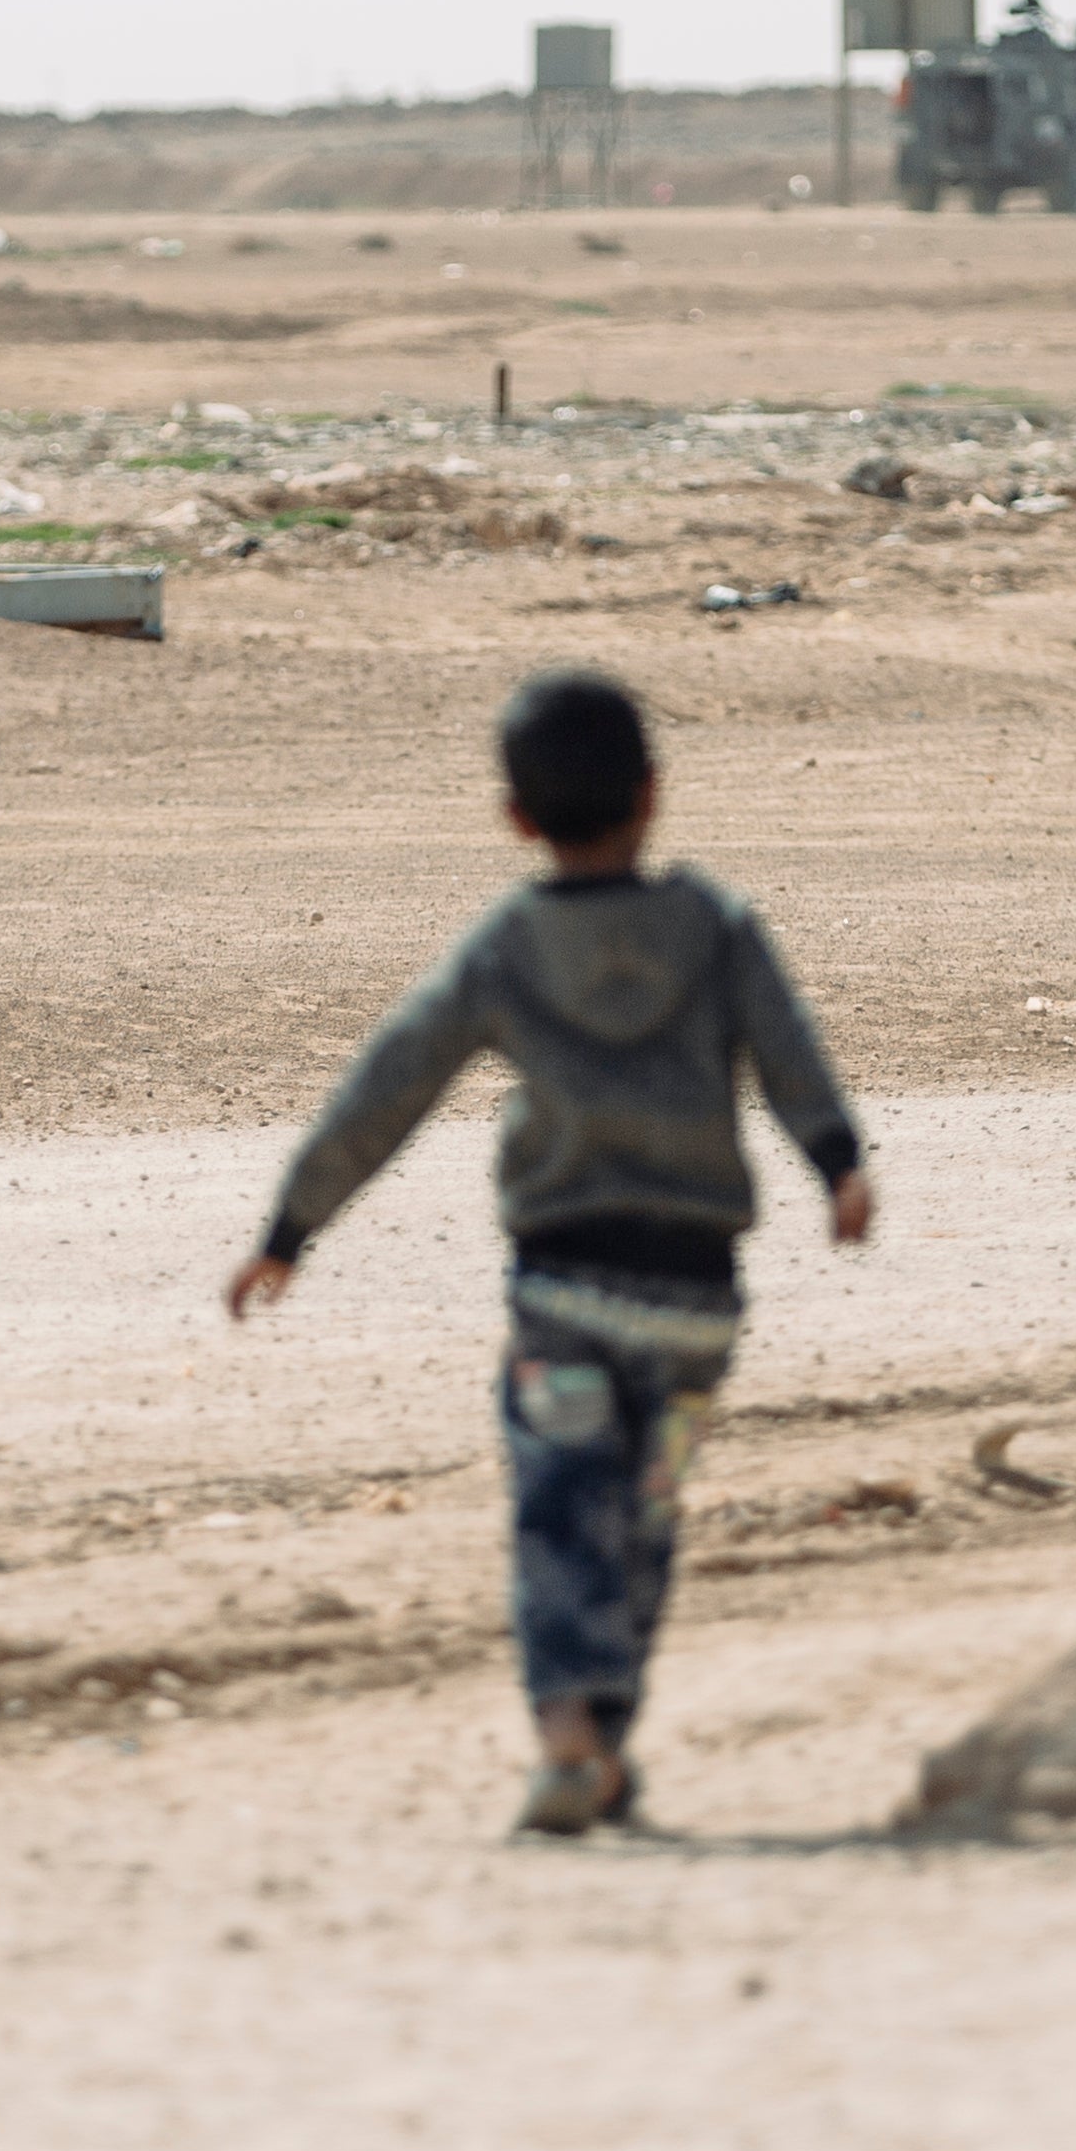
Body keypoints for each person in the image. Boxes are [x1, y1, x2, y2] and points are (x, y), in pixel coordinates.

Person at [223, 670, 875, 1836]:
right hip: (691, 1305)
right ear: (653, 796)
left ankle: (569, 1738)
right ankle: (612, 1747)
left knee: (560, 1505)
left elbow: (392, 1084)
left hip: (565, 1292)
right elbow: (788, 1053)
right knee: (648, 1511)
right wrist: (838, 1164)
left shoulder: (509, 946)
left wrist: (289, 1230)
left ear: (515, 818)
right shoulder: (715, 929)